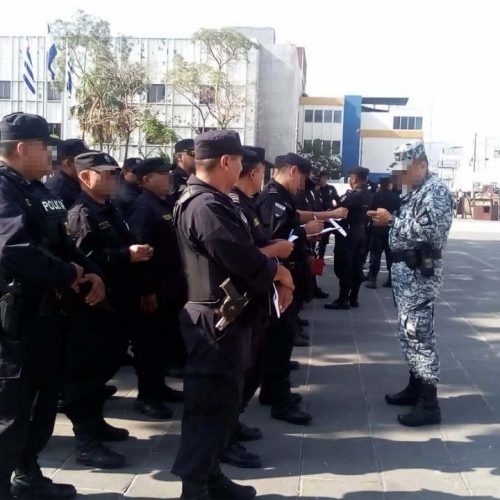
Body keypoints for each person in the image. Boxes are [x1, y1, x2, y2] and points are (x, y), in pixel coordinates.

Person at [171, 130, 295, 500]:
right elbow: (240, 256)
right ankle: (195, 488)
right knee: (208, 408)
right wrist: (279, 271)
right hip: (214, 321)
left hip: (228, 317)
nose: (242, 169)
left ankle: (210, 476)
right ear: (226, 161)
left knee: (222, 405)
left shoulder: (216, 201)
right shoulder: (205, 205)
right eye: (240, 161)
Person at [0, 112, 105, 499]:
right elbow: (14, 249)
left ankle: (28, 473)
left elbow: (64, 243)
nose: (52, 155)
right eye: (45, 148)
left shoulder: (39, 191)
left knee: (43, 404)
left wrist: (91, 273)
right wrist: (67, 274)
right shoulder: (4, 190)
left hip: (47, 319)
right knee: (11, 412)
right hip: (15, 324)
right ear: (22, 148)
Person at [367, 140, 454, 427]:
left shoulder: (436, 191)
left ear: (422, 165)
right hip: (407, 273)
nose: (400, 176)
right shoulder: (416, 191)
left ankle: (429, 404)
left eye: (404, 170)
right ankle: (415, 387)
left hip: (420, 274)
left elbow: (431, 231)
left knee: (419, 334)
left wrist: (391, 221)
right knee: (409, 332)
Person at [224, 147, 295, 469]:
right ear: (253, 173)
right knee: (237, 372)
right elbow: (243, 255)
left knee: (251, 368)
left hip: (256, 295)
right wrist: (276, 252)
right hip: (238, 299)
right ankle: (225, 438)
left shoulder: (246, 203)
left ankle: (233, 423)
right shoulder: (231, 204)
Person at [256, 153, 325, 425]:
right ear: (293, 171)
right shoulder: (272, 198)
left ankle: (272, 390)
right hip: (278, 277)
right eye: (302, 179)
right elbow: (274, 240)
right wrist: (305, 231)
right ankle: (279, 400)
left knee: (281, 339)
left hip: (289, 274)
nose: (302, 186)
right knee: (279, 339)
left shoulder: (283, 197)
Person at [127, 157, 186, 405]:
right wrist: (147, 290)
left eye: (168, 173)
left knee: (163, 340)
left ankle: (159, 387)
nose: (168, 177)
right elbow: (141, 253)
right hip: (155, 286)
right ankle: (147, 396)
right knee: (149, 343)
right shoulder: (143, 207)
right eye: (162, 174)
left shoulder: (162, 203)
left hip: (170, 285)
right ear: (146, 179)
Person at [325, 166, 373, 310]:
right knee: (357, 265)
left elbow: (340, 208)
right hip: (361, 232)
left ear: (354, 179)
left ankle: (343, 299)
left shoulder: (353, 195)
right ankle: (353, 298)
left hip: (348, 234)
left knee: (344, 266)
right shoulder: (369, 194)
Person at [365, 177, 401, 289]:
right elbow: (399, 212)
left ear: (380, 185)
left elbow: (368, 211)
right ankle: (391, 280)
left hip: (376, 229)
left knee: (375, 256)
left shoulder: (374, 196)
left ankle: (372, 279)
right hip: (390, 229)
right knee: (391, 256)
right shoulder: (395, 197)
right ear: (389, 184)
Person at [45, 139, 91, 209]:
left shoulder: (78, 183)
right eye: (84, 160)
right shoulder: (56, 190)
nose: (89, 164)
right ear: (68, 164)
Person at [168, 138, 195, 207]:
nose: (198, 157)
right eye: (193, 153)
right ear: (179, 157)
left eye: (201, 153)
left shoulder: (197, 177)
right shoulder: (172, 178)